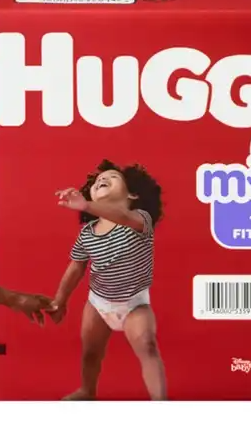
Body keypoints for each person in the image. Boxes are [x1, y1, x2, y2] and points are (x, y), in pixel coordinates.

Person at [49, 160, 167, 401]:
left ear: (132, 194)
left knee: (147, 345)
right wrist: (60, 300)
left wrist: (87, 206)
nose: (101, 180)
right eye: (97, 182)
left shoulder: (140, 220)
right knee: (90, 352)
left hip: (134, 304)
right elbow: (76, 267)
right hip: (98, 302)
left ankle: (160, 401)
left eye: (112, 177)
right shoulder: (88, 233)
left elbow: (122, 215)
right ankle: (87, 390)